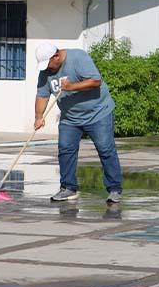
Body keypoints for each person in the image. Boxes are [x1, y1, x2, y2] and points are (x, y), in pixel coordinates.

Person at [34, 43, 123, 203]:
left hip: (98, 113)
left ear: (56, 56)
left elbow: (96, 81)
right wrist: (38, 117)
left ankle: (114, 189)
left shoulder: (78, 58)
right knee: (65, 149)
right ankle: (68, 188)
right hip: (70, 117)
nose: (47, 68)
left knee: (105, 149)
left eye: (48, 64)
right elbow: (42, 94)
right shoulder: (45, 73)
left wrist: (71, 86)